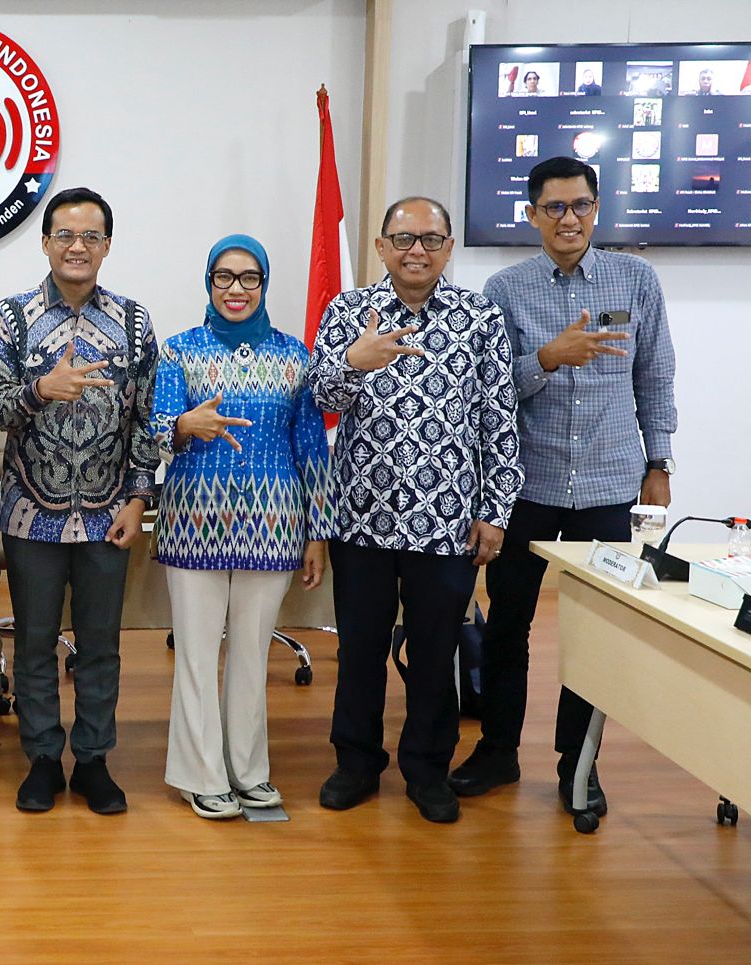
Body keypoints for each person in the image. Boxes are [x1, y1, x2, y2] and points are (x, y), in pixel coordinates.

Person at [450, 157, 677, 817]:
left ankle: (578, 765)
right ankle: (498, 749)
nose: (568, 218)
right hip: (527, 483)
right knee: (509, 624)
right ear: (532, 215)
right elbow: (487, 389)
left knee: (592, 632)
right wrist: (548, 357)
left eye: (580, 205)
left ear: (596, 209)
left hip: (609, 481)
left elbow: (655, 375)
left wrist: (659, 464)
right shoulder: (505, 288)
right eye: (554, 207)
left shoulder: (636, 279)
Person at [307, 196, 522, 824]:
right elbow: (319, 396)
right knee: (360, 650)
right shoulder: (349, 311)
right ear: (381, 247)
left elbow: (499, 422)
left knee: (435, 652)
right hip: (361, 518)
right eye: (403, 239)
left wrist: (496, 511)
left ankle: (427, 769)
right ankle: (356, 763)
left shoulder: (480, 317)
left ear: (449, 247)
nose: (416, 251)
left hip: (447, 521)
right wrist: (354, 362)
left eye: (430, 239)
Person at [0, 186, 158, 815]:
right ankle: (41, 760)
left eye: (90, 236)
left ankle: (93, 761)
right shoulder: (12, 317)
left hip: (109, 514)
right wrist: (40, 389)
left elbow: (147, 419)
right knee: (34, 642)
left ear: (106, 246)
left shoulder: (135, 322)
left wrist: (139, 499)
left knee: (100, 645)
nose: (77, 246)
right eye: (65, 235)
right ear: (45, 242)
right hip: (33, 515)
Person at [155, 234, 332, 820]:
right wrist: (184, 425)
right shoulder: (179, 351)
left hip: (275, 521)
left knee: (254, 653)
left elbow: (311, 447)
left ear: (264, 284)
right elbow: (154, 430)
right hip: (193, 520)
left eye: (248, 277)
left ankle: (249, 771)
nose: (236, 289)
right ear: (209, 283)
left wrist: (318, 531)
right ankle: (201, 775)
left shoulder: (295, 357)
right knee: (197, 654)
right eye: (224, 277)